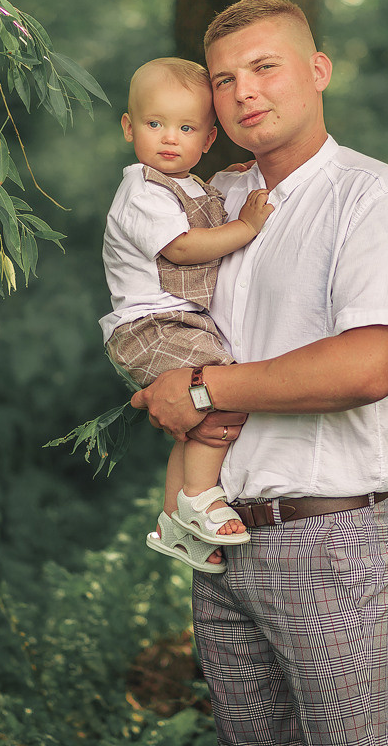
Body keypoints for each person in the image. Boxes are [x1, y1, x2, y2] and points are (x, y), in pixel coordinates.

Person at [130, 0, 388, 745]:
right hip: (221, 538)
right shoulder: (220, 202)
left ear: (318, 70)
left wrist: (203, 390)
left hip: (328, 539)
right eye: (225, 79)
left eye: (265, 67)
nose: (245, 93)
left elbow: (371, 365)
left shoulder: (375, 199)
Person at [99, 57, 274, 573]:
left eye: (186, 128)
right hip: (150, 326)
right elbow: (182, 247)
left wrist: (231, 182)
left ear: (207, 138)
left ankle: (176, 522)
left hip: (175, 323)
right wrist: (245, 226)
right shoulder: (141, 191)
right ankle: (200, 498)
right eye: (154, 124)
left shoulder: (191, 183)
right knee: (222, 395)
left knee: (198, 417)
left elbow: (202, 203)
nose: (169, 138)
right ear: (129, 127)